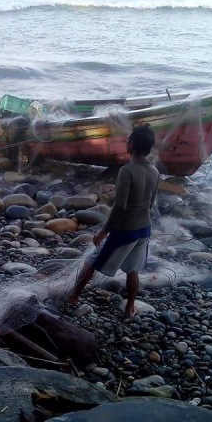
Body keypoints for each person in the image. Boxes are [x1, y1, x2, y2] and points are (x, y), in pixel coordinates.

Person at [68, 125, 159, 319]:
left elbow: (120, 206)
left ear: (132, 144)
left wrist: (104, 231)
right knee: (132, 269)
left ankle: (74, 297)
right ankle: (130, 306)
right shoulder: (154, 171)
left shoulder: (127, 170)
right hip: (144, 229)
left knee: (92, 262)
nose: (126, 142)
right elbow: (151, 202)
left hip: (125, 230)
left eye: (128, 140)